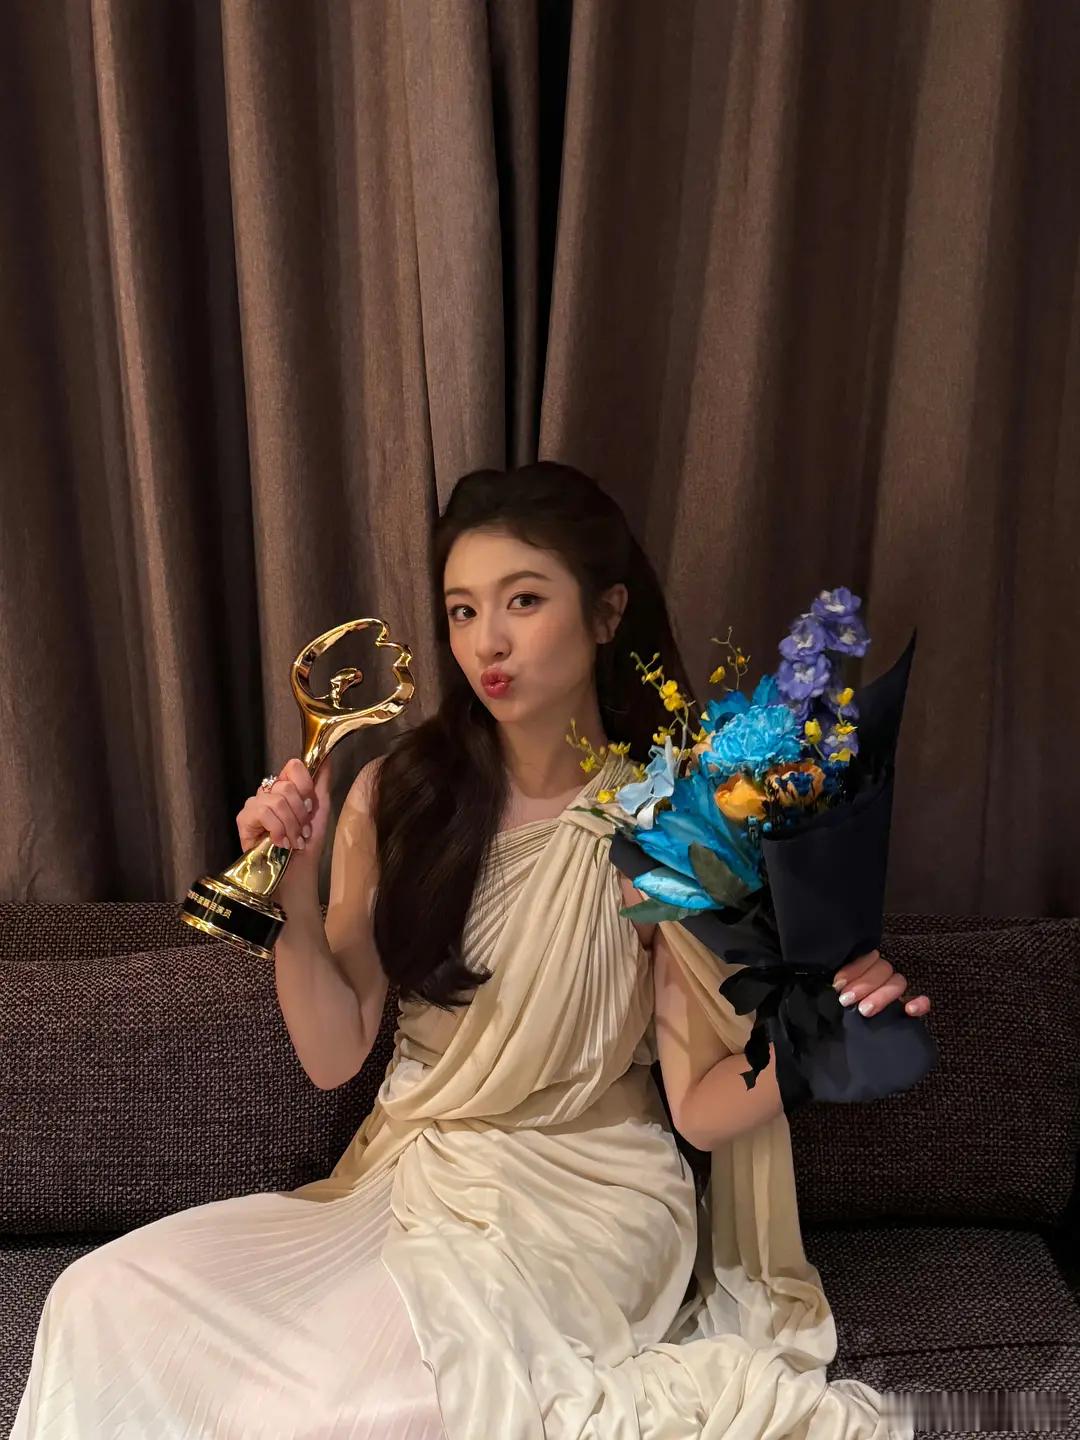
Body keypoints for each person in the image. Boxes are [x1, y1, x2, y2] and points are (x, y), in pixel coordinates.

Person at [11, 461, 930, 1439]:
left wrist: (817, 1037)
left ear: (607, 612)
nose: (486, 641)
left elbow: (701, 1109)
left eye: (523, 601)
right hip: (414, 1176)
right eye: (461, 610)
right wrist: (292, 888)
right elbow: (333, 1052)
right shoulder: (397, 796)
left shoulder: (668, 816)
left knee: (379, 1412)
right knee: (97, 1296)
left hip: (593, 1198)